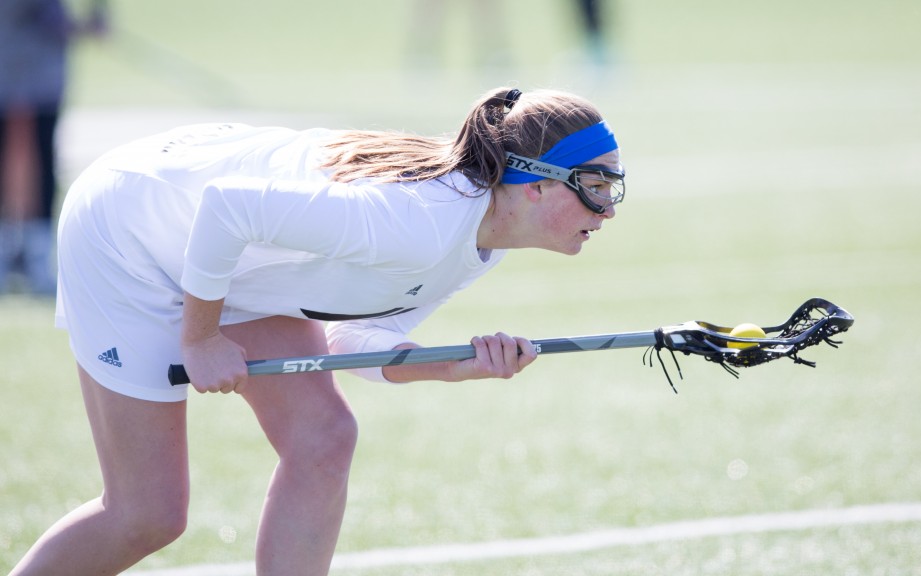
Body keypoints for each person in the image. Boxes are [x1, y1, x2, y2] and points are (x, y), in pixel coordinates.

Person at [10, 86, 625, 575]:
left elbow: (353, 340)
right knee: (146, 515)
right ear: (537, 182)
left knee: (325, 438)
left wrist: (454, 366)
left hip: (234, 261)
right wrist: (199, 338)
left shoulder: (482, 237)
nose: (610, 209)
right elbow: (227, 207)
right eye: (597, 187)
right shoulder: (417, 221)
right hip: (130, 230)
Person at [0, 0, 107, 295]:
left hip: (42, 74)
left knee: (43, 159)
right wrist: (77, 26)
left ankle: (36, 256)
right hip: (10, 66)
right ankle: (12, 255)